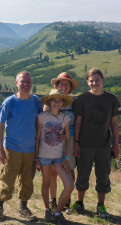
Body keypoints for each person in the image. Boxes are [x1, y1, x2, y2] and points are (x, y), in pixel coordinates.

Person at [68, 68, 121, 218]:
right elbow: (78, 122)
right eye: (91, 81)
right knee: (82, 175)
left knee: (103, 175)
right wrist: (77, 143)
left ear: (103, 80)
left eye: (97, 80)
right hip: (84, 144)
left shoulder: (112, 99)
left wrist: (116, 144)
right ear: (87, 82)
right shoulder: (82, 99)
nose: (94, 83)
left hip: (104, 145)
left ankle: (101, 205)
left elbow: (114, 123)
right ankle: (79, 203)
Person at [0, 70, 42, 221]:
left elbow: (40, 123)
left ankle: (23, 208)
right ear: (16, 83)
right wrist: (0, 149)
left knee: (27, 180)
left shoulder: (36, 101)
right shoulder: (9, 102)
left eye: (28, 81)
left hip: (30, 150)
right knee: (7, 178)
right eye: (23, 81)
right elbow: (0, 126)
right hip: (12, 149)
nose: (26, 84)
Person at [36, 89, 75, 225]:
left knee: (70, 185)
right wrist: (36, 158)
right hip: (44, 155)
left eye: (59, 100)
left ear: (63, 103)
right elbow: (38, 137)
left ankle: (57, 212)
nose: (56, 103)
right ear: (49, 101)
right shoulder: (41, 117)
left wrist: (65, 157)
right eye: (54, 100)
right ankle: (47, 210)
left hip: (59, 157)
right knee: (46, 183)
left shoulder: (65, 118)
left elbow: (68, 139)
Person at [43, 72, 79, 210]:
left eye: (66, 84)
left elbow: (78, 123)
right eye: (61, 83)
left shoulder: (75, 103)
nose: (64, 86)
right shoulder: (50, 101)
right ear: (57, 85)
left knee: (69, 169)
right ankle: (53, 199)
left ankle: (66, 198)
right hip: (53, 142)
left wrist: (76, 141)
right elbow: (43, 121)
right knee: (53, 171)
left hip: (69, 142)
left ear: (70, 88)